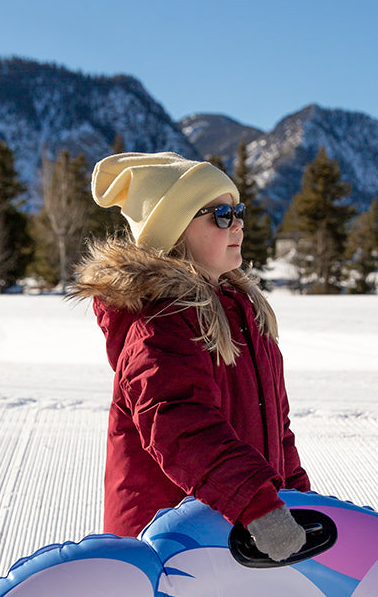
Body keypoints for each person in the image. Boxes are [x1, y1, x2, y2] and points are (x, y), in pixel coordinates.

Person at [70, 151, 311, 562]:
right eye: (219, 214)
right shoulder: (160, 323)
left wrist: (299, 500)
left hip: (233, 533)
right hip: (171, 545)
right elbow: (181, 425)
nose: (236, 223)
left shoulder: (244, 314)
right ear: (175, 230)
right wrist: (259, 505)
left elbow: (278, 427)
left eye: (238, 210)